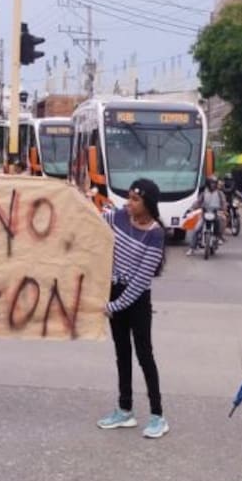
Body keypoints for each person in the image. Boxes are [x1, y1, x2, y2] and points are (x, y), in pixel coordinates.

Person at [96, 178, 169, 439]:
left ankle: (158, 415)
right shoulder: (119, 217)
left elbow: (140, 281)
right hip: (114, 292)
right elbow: (94, 219)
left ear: (148, 203)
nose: (129, 203)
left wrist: (114, 305)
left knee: (144, 355)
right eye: (128, 198)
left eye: (135, 199)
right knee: (122, 354)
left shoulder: (155, 233)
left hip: (136, 301)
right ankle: (124, 409)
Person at [187, 177, 225, 256]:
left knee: (221, 221)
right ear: (208, 183)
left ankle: (219, 237)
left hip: (215, 213)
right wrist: (191, 208)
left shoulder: (219, 193)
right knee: (196, 229)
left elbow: (223, 203)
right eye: (211, 183)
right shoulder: (204, 193)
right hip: (205, 213)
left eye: (214, 183)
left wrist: (223, 209)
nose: (213, 185)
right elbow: (198, 202)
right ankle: (192, 248)